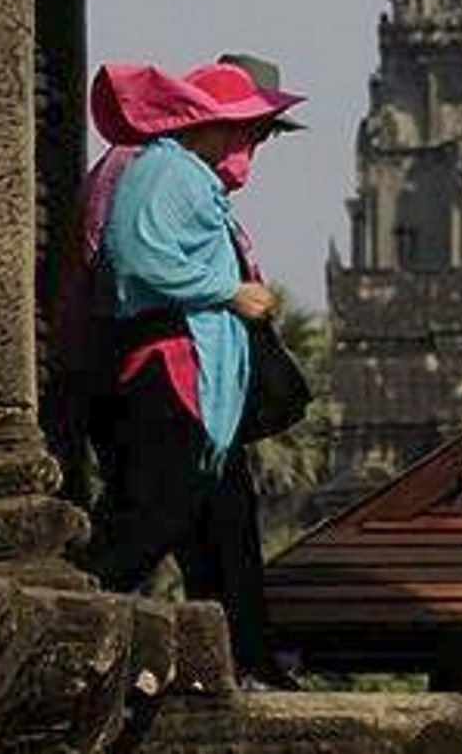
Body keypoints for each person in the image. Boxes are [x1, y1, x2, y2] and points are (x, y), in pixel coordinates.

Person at [71, 57, 306, 691]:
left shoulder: (184, 175)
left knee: (221, 524)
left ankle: (245, 661)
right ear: (208, 123)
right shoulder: (166, 169)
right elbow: (137, 256)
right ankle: (61, 630)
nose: (247, 146)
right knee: (148, 516)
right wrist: (229, 290)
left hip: (200, 378)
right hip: (170, 371)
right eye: (245, 130)